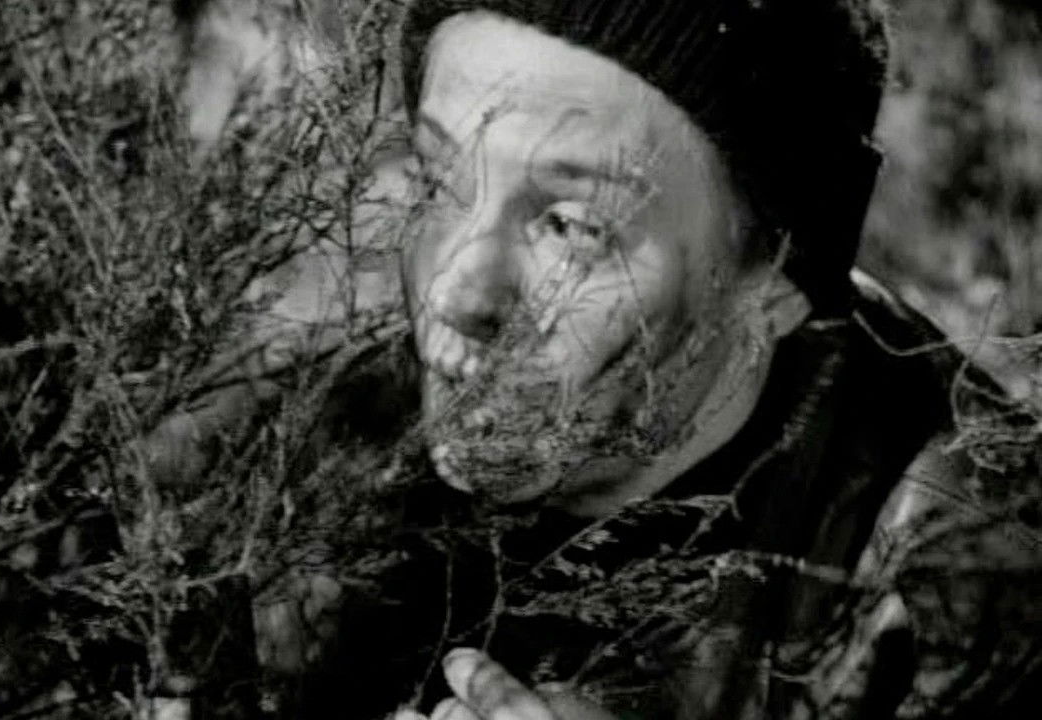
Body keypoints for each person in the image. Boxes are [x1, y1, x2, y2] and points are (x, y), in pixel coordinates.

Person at [146, 1, 1042, 718]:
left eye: (573, 229)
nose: (456, 292)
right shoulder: (292, 464)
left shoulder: (969, 575)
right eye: (436, 180)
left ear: (771, 281)